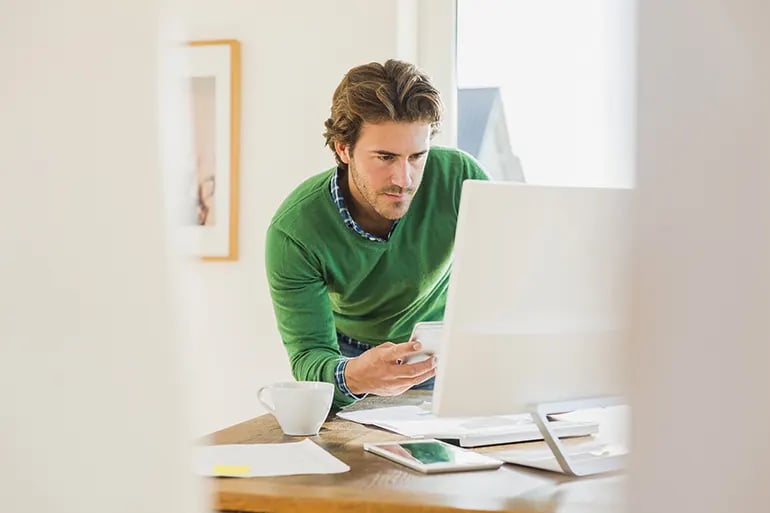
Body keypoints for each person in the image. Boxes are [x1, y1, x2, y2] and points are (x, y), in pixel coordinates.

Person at [265, 59, 488, 408]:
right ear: (343, 149)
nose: (404, 179)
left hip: (441, 349)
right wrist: (354, 375)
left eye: (417, 156)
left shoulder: (460, 176)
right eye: (385, 157)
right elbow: (309, 356)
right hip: (352, 358)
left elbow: (506, 274)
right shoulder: (294, 232)